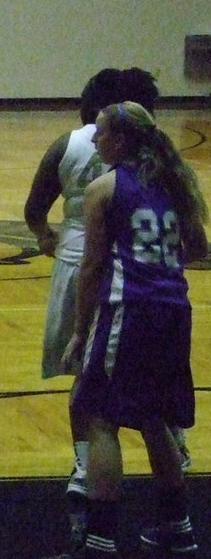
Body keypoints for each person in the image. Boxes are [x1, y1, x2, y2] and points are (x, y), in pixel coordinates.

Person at [39, 101, 207, 559]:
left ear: (121, 141)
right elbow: (199, 248)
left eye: (102, 135)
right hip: (175, 309)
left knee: (98, 416)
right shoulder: (176, 184)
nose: (94, 141)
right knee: (155, 417)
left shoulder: (104, 188)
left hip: (128, 310)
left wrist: (79, 331)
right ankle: (178, 528)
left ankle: (98, 546)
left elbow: (92, 267)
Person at [23, 69, 190, 505]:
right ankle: (173, 467)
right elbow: (196, 241)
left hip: (90, 269)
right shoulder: (163, 167)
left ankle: (87, 470)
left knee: (88, 386)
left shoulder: (77, 153)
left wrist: (44, 236)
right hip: (156, 286)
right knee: (151, 394)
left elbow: (35, 208)